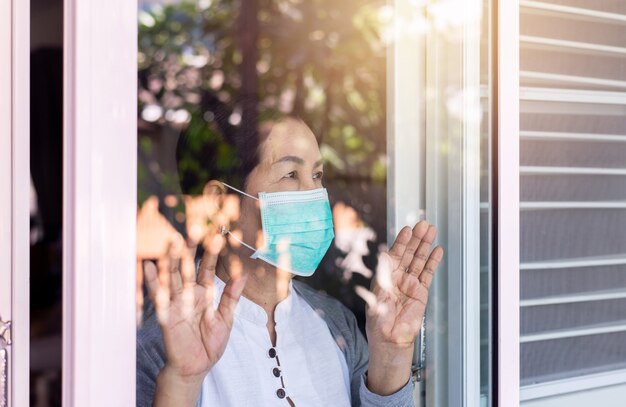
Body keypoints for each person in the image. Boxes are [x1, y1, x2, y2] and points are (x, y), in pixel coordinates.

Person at [136, 116, 444, 406]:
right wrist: (182, 380)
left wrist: (391, 352)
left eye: (317, 175)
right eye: (291, 175)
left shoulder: (336, 324)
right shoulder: (165, 343)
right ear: (220, 203)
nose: (315, 194)